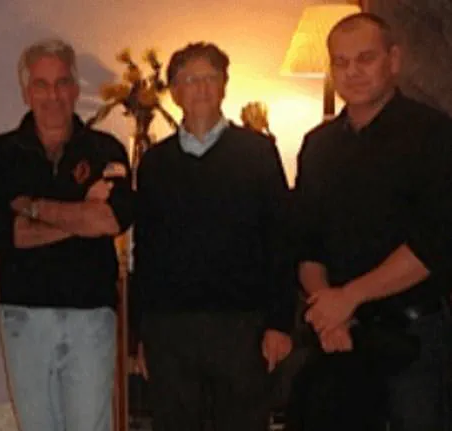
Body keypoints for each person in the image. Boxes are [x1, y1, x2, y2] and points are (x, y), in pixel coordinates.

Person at [294, 12, 452, 431]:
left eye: (365, 58)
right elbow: (306, 243)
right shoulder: (317, 146)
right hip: (339, 339)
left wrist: (349, 298)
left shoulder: (435, 134)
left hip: (413, 340)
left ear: (393, 60)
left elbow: (435, 242)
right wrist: (329, 310)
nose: (353, 72)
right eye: (341, 62)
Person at [131, 42, 295, 431]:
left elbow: (281, 240)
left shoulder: (258, 153)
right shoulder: (155, 162)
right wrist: (141, 333)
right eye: (189, 79)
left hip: (243, 326)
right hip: (171, 329)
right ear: (174, 92)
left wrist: (280, 323)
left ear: (224, 86)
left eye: (210, 78)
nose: (201, 88)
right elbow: (146, 251)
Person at [0, 39, 134, 431]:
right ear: (26, 92)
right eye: (41, 85)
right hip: (24, 316)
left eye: (62, 83)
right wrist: (82, 214)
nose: (53, 95)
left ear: (75, 88)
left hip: (91, 316)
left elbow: (111, 221)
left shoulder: (106, 150)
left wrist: (33, 208)